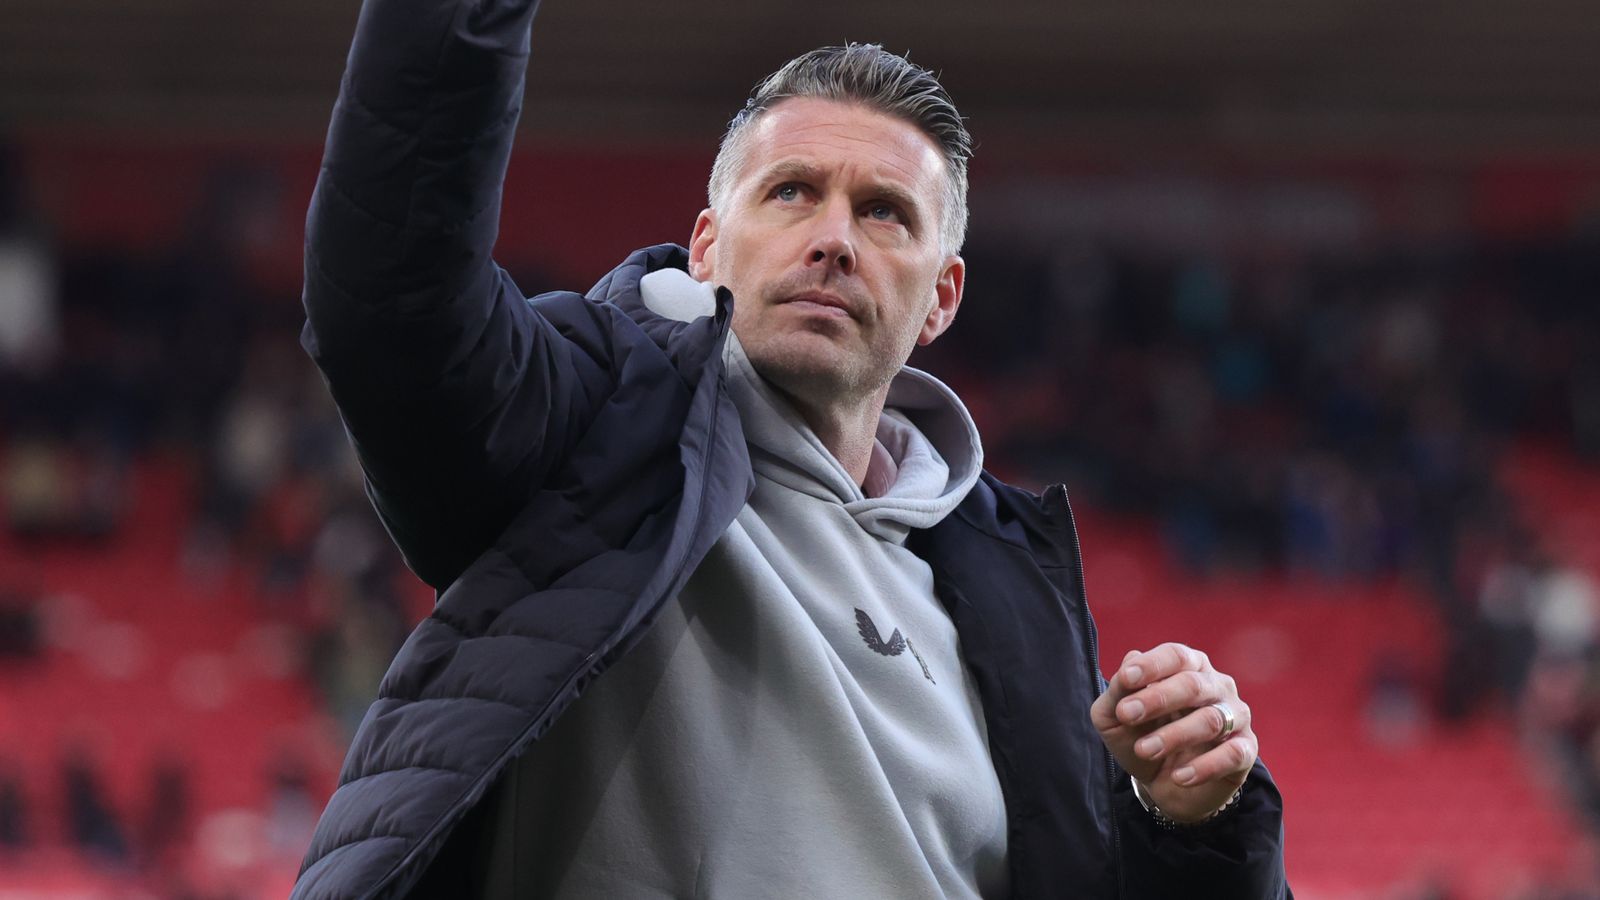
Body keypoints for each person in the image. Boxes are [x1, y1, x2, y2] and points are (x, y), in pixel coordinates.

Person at [291, 1, 1289, 897]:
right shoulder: (587, 422)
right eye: (792, 192)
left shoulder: (1008, 593)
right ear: (708, 246)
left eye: (884, 212)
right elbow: (392, 308)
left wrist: (1195, 828)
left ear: (940, 296)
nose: (833, 237)